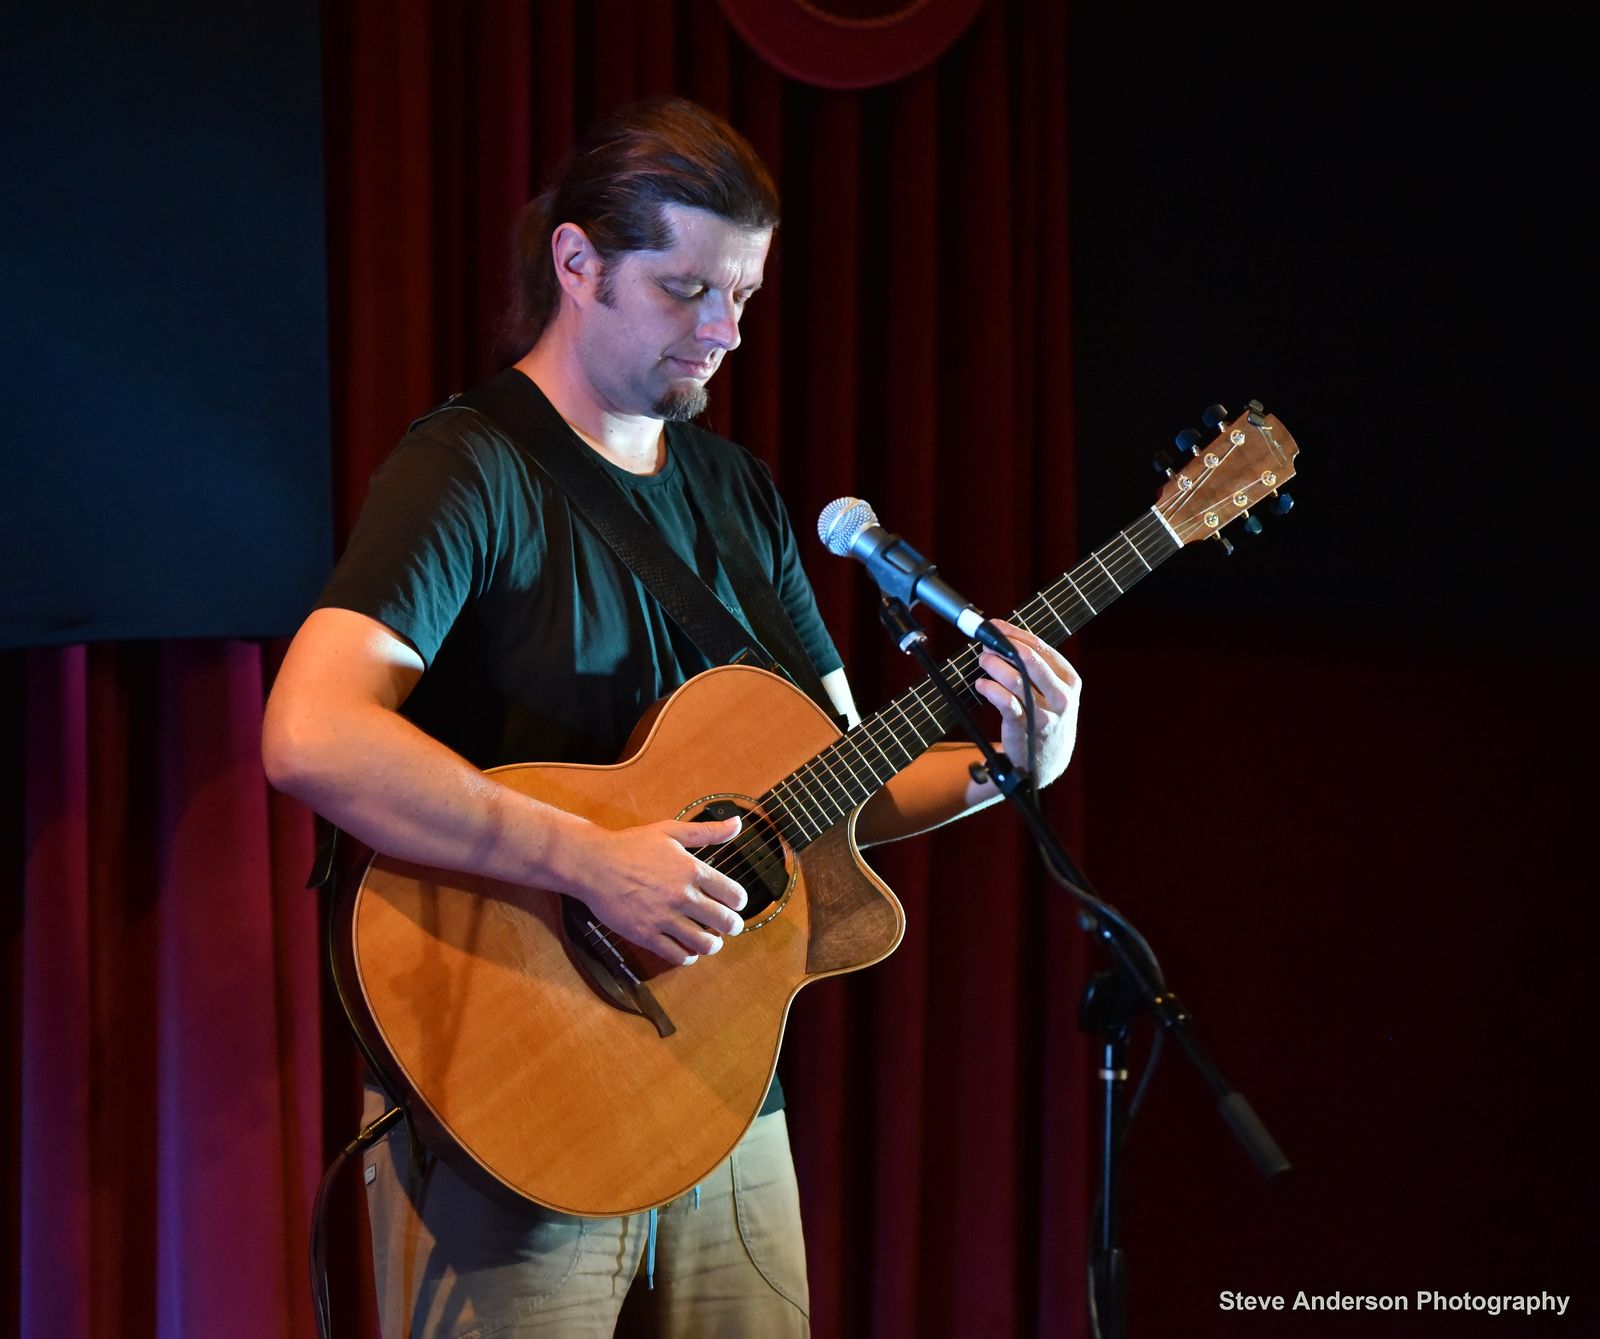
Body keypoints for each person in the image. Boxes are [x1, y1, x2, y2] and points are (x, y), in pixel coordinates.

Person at [262, 96, 1082, 1338]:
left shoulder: (736, 492)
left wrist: (1010, 764)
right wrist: (592, 861)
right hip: (514, 1103)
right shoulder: (467, 469)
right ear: (577, 262)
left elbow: (840, 788)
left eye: (740, 295)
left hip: (723, 1099)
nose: (722, 331)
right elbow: (312, 733)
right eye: (684, 289)